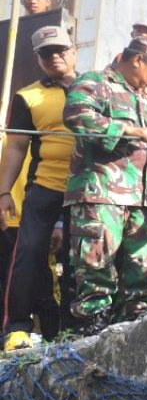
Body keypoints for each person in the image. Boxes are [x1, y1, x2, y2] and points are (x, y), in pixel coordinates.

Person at [63, 37, 147, 334]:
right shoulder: (96, 82)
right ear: (138, 59)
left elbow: (140, 147)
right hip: (101, 195)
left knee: (140, 277)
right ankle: (90, 335)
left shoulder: (140, 98)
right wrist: (128, 129)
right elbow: (77, 116)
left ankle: (134, 335)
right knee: (95, 271)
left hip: (139, 200)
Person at [0, 26, 77, 350]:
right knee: (27, 255)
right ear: (38, 58)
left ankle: (74, 329)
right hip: (44, 187)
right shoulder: (27, 96)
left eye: (60, 49)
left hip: (87, 190)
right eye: (47, 52)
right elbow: (16, 146)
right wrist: (3, 192)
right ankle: (16, 327)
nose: (55, 56)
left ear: (73, 51)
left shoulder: (96, 88)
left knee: (80, 260)